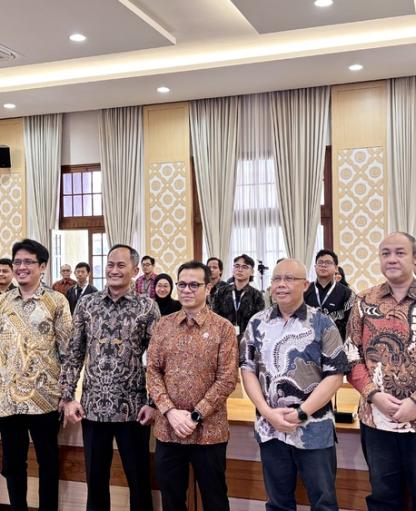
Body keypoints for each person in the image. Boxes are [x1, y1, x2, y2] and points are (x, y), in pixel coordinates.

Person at [240, 258, 347, 511]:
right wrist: (266, 412)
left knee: (323, 502)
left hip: (314, 429)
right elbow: (247, 369)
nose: (281, 284)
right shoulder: (257, 322)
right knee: (278, 504)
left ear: (305, 285)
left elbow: (335, 375)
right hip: (271, 428)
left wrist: (302, 412)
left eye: (289, 278)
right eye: (277, 279)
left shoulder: (322, 322)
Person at [60, 244, 160, 511]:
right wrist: (68, 396)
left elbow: (157, 360)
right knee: (95, 482)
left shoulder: (147, 307)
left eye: (121, 265)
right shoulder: (87, 304)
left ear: (135, 270)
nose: (114, 270)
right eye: (110, 264)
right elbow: (74, 353)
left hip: (133, 409)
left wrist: (153, 402)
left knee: (139, 481)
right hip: (93, 408)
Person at [147, 260, 238, 511]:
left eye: (194, 285)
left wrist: (196, 415)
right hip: (169, 429)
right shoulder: (163, 325)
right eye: (182, 284)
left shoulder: (223, 328)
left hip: (209, 432)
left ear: (208, 288)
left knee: (215, 500)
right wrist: (170, 412)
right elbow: (152, 371)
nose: (186, 290)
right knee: (172, 500)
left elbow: (227, 379)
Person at [0, 239, 72, 511]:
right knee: (13, 464)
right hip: (8, 400)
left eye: (28, 262)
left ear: (42, 266)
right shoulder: (3, 301)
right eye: (17, 262)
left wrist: (68, 394)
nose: (21, 267)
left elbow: (68, 352)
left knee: (48, 462)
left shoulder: (56, 301)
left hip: (45, 397)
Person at [345, 232, 416, 510]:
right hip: (376, 420)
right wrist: (374, 395)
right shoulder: (364, 300)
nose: (392, 259)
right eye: (385, 253)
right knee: (383, 499)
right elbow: (351, 353)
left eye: (400, 252)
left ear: (414, 258)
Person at [304, 249, 355, 341]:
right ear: (315, 267)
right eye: (320, 262)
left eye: (328, 262)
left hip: (337, 343)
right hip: (308, 343)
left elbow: (352, 324)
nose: (323, 265)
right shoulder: (304, 290)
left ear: (336, 268)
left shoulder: (347, 293)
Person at [212, 254, 264, 343]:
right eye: (237, 266)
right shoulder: (221, 292)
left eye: (245, 267)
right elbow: (214, 317)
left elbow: (259, 322)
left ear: (252, 272)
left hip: (248, 341)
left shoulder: (256, 295)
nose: (240, 269)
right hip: (223, 339)